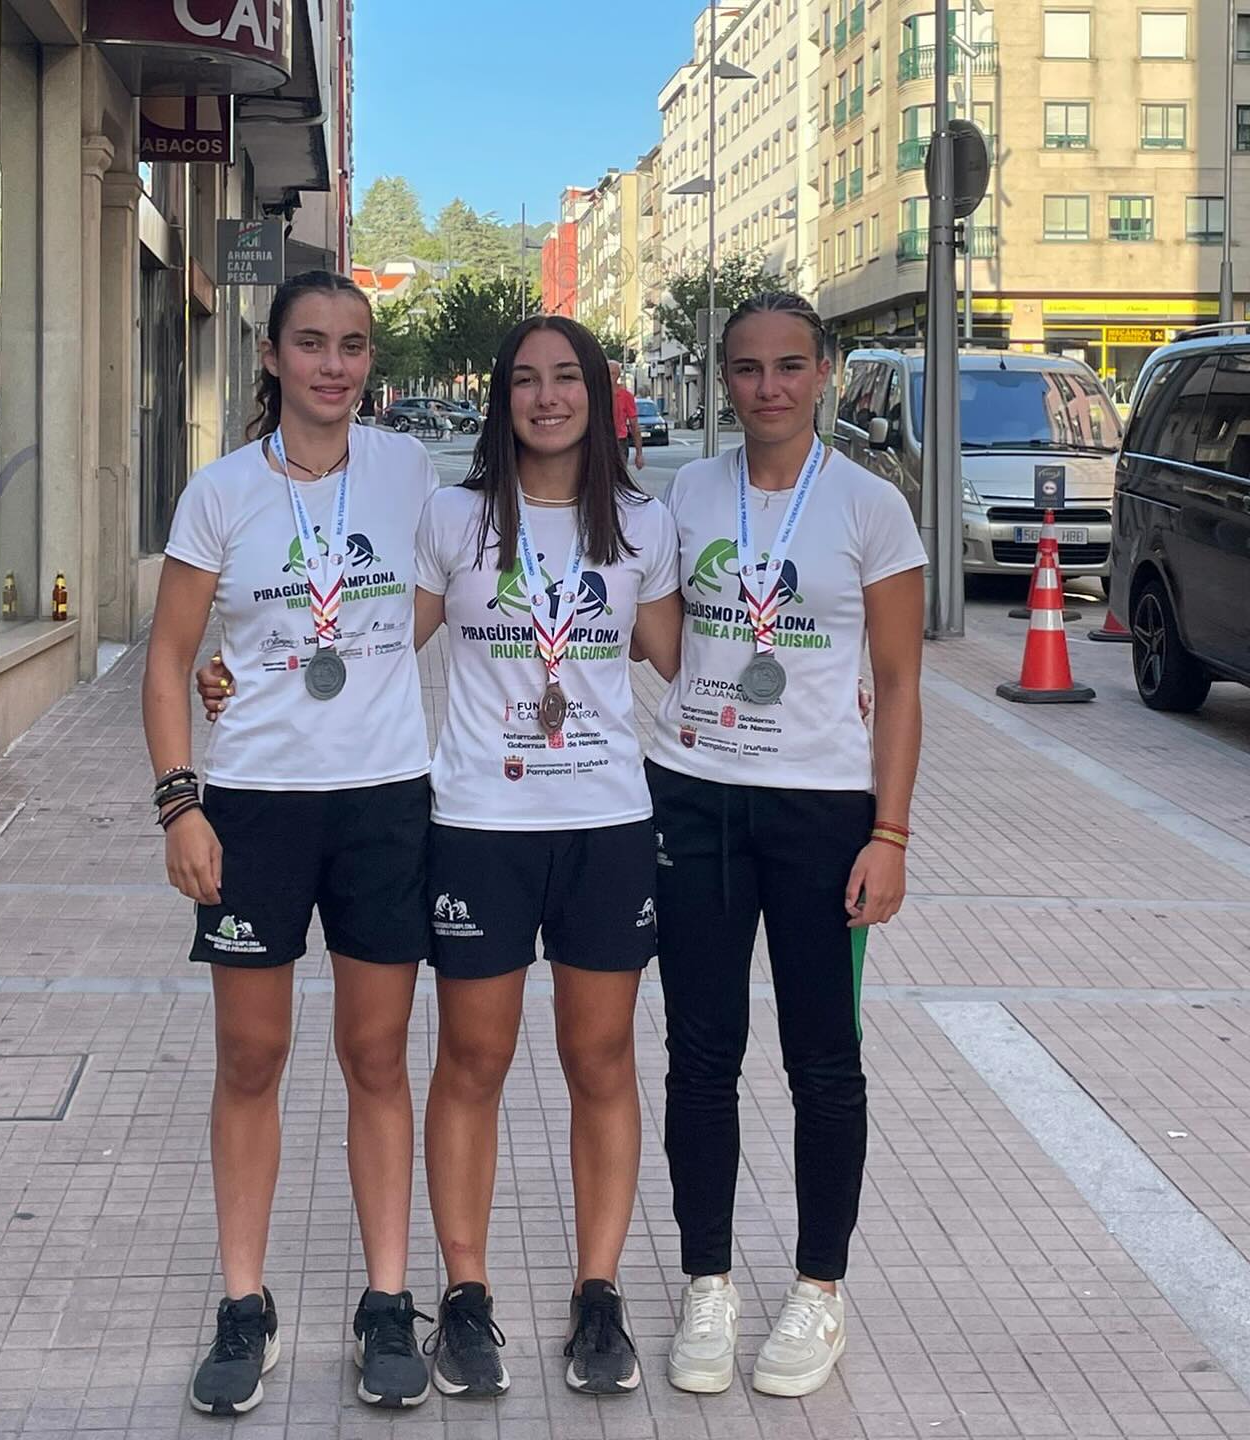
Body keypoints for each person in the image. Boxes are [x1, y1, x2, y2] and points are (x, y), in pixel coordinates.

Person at [141, 270, 441, 1417]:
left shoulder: (408, 471)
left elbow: (447, 592)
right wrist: (182, 805)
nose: (333, 366)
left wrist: (362, 654)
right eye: (310, 344)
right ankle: (244, 1303)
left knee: (375, 1057)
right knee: (251, 1060)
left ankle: (386, 1301)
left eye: (353, 346)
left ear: (370, 361)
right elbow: (172, 659)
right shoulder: (221, 492)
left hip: (382, 802)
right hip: (256, 805)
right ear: (269, 356)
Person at [645, 291, 926, 1399]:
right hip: (697, 795)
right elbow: (666, 640)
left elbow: (901, 687)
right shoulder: (690, 490)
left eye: (789, 366)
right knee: (701, 1057)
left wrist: (891, 833)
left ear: (824, 372)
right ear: (725, 377)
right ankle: (707, 1280)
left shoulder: (868, 505)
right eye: (748, 368)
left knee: (823, 1061)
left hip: (821, 810)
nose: (767, 387)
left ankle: (819, 1292)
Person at [413, 316, 681, 1399]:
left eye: (566, 377)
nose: (545, 397)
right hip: (479, 818)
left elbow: (683, 657)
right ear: (502, 400)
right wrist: (239, 675)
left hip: (608, 820)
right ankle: (466, 1298)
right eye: (524, 381)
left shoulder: (642, 526)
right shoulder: (455, 518)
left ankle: (598, 1295)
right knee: (472, 1061)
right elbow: (386, 643)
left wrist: (826, 680)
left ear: (599, 393)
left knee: (600, 1061)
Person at [609, 359, 645, 471]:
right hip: (601, 440)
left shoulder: (626, 396)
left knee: (619, 477)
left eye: (612, 373)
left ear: (618, 375)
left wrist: (639, 454)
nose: (608, 376)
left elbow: (634, 425)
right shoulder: (596, 394)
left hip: (620, 442)